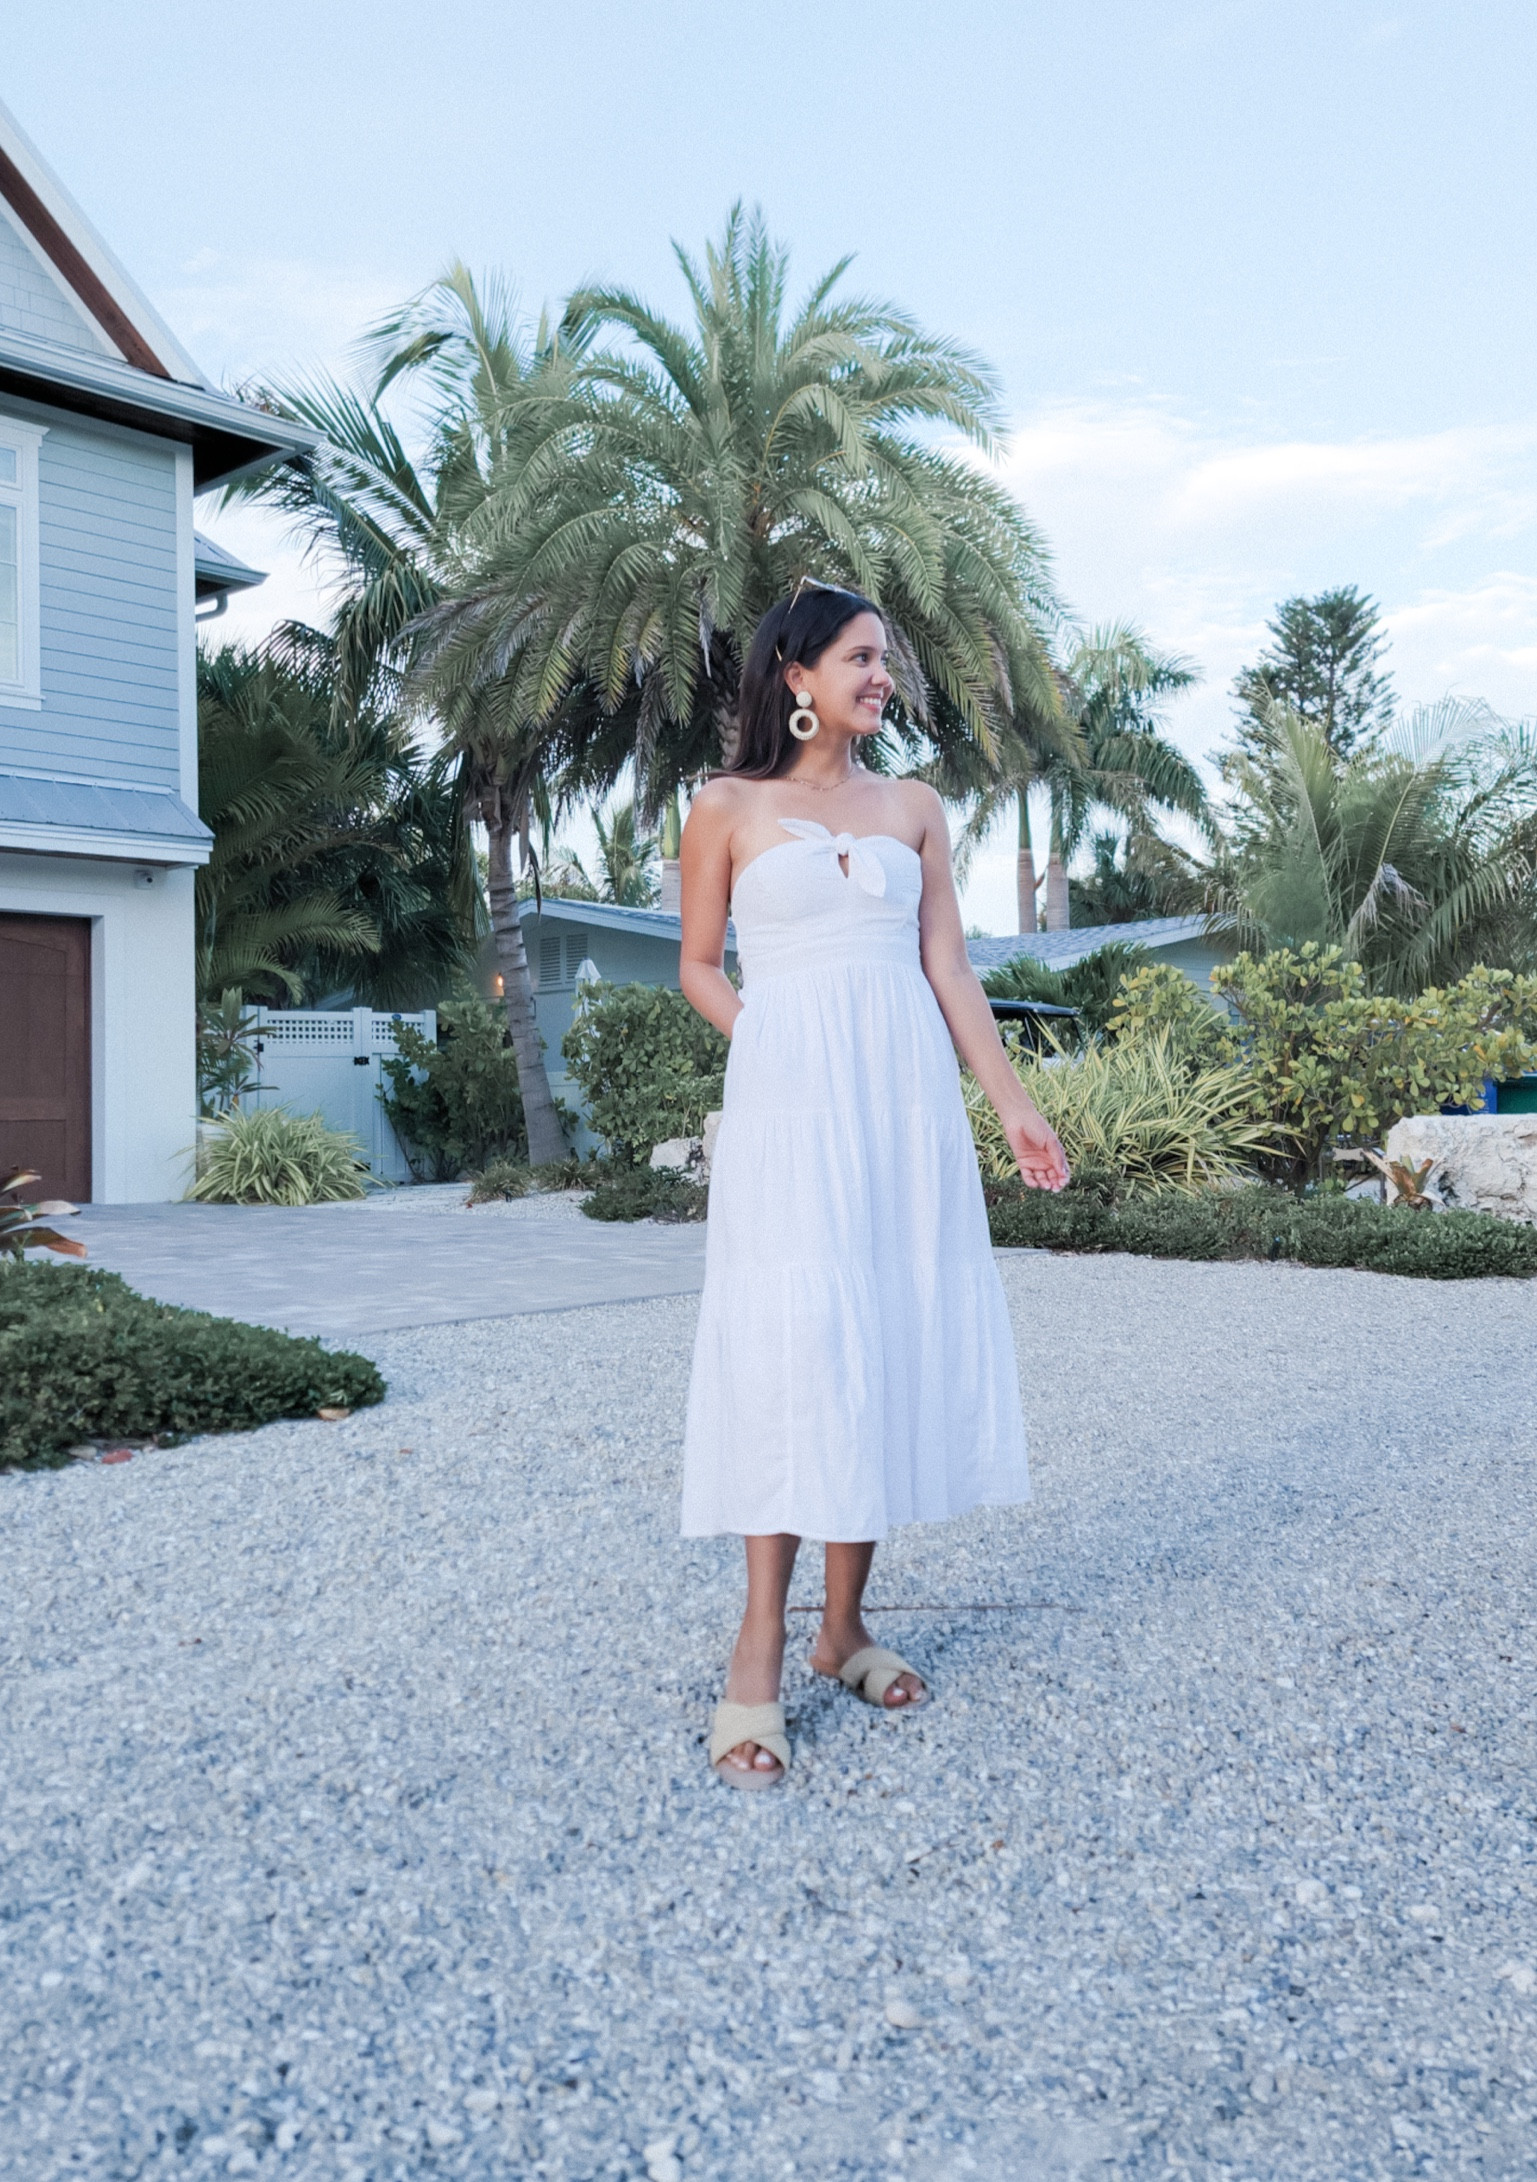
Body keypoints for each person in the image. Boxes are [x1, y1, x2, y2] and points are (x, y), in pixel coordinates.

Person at [678, 581, 1069, 1789]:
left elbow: (946, 964)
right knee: (794, 1346)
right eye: (859, 656)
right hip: (791, 1110)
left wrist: (1010, 1105)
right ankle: (759, 1646)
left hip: (902, 1109)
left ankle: (843, 1628)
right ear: (796, 675)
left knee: (880, 1339)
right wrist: (768, 1045)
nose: (879, 674)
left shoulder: (913, 808)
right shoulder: (725, 806)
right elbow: (695, 966)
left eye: (884, 659)